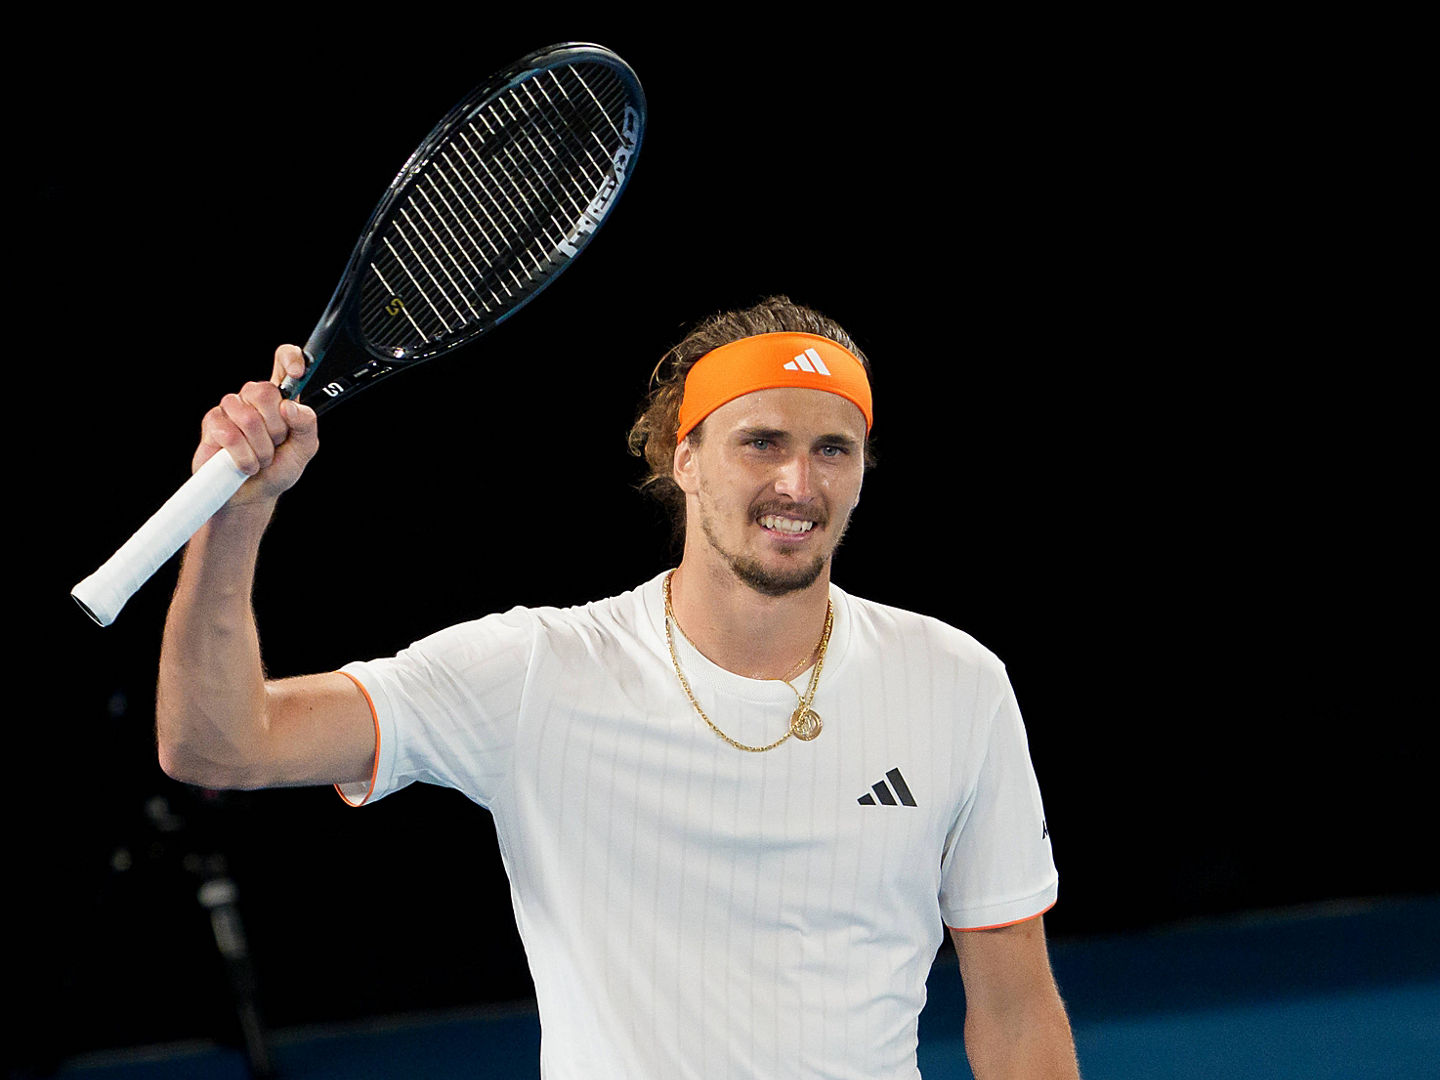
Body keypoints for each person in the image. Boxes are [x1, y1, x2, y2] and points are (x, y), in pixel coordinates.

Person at [156, 296, 1080, 1079]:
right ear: (683, 460)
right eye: (760, 442)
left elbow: (1014, 1008)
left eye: (833, 449)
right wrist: (237, 517)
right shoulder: (536, 672)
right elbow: (220, 746)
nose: (798, 483)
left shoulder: (958, 684)